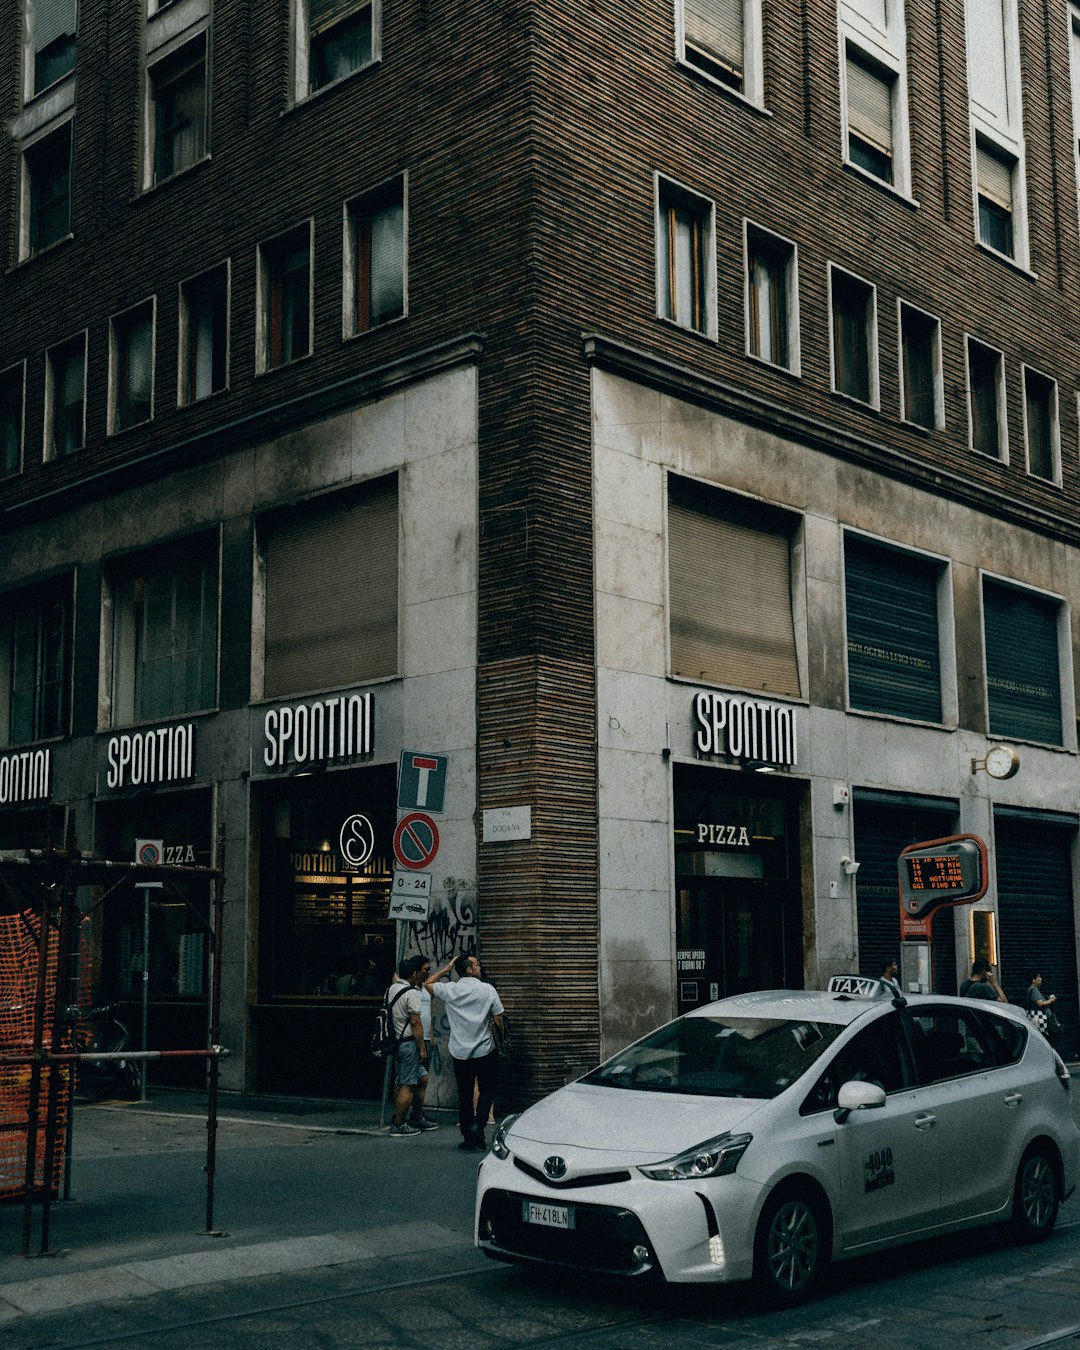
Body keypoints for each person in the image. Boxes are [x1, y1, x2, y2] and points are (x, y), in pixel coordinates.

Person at [426, 953, 504, 1152]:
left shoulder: (450, 989)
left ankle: (468, 1136)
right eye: (476, 965)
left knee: (465, 1094)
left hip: (460, 1051)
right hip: (485, 1049)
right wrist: (501, 1039)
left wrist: (447, 968)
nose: (479, 967)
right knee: (488, 1090)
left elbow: (428, 984)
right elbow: (498, 1019)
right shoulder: (488, 990)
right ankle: (479, 1125)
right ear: (469, 970)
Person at [386, 956, 439, 1136]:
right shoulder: (412, 993)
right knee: (407, 1084)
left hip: (398, 1043)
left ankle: (415, 1116)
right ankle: (400, 1123)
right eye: (423, 971)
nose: (425, 974)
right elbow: (415, 1022)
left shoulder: (392, 989)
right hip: (409, 1043)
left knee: (419, 1079)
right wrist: (422, 1048)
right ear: (414, 973)